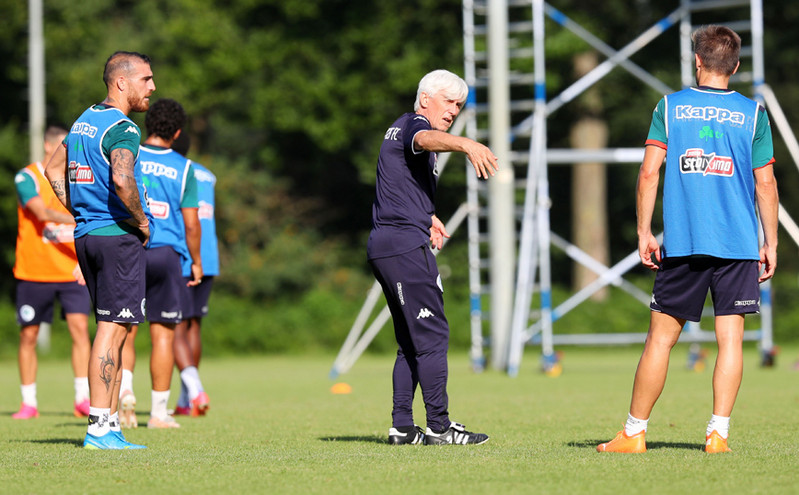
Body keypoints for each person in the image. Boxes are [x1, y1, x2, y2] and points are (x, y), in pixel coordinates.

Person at [596, 25, 778, 454]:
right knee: (730, 340)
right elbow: (766, 183)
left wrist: (644, 232)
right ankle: (718, 435)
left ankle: (634, 433)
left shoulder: (670, 106)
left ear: (697, 60)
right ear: (735, 66)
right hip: (738, 245)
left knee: (660, 340)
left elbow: (649, 172)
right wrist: (770, 242)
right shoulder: (753, 114)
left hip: (684, 243)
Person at [367, 69, 498, 446]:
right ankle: (440, 427)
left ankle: (403, 427)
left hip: (388, 242)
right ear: (426, 99)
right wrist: (466, 144)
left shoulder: (397, 128)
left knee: (411, 340)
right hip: (404, 248)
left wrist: (426, 217)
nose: (454, 110)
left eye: (459, 105)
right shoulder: (415, 125)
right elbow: (425, 139)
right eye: (449, 101)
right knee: (433, 336)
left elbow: (399, 185)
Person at [45, 50, 155, 450]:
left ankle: (109, 425)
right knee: (111, 329)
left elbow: (52, 169)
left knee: (118, 328)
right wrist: (142, 222)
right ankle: (97, 428)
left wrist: (78, 209)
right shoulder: (123, 128)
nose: (152, 87)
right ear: (122, 82)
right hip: (117, 238)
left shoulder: (84, 120)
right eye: (146, 79)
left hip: (88, 236)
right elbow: (123, 180)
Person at [12, 125, 92, 420]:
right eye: (63, 146)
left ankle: (82, 398)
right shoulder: (27, 177)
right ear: (49, 146)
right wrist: (78, 218)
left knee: (80, 330)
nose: (67, 153)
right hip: (35, 271)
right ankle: (28, 403)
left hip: (72, 271)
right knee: (28, 335)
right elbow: (41, 212)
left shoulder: (76, 179)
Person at [134, 98, 203, 429]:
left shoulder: (128, 154)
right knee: (162, 335)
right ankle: (159, 413)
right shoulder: (185, 168)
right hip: (167, 254)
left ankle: (122, 399)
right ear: (177, 133)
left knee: (122, 330)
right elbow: (192, 224)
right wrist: (196, 261)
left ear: (147, 124)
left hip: (131, 250)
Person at [171, 131, 216, 417]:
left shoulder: (175, 170)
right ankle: (186, 400)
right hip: (209, 257)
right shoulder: (208, 175)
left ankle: (195, 390)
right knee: (194, 327)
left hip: (187, 256)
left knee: (174, 327)